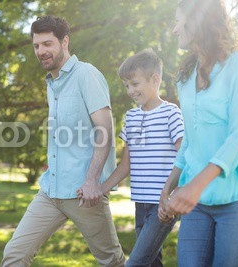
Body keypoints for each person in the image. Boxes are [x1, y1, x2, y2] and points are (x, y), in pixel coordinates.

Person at [0, 15, 125, 267]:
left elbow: (105, 129)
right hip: (51, 191)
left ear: (64, 41)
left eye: (47, 44)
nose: (40, 51)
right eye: (36, 46)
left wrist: (91, 181)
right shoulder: (52, 83)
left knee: (111, 261)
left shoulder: (86, 75)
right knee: (15, 255)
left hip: (84, 194)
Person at [158, 0, 238, 266]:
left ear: (197, 22)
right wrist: (169, 186)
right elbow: (190, 141)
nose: (173, 30)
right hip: (197, 203)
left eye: (178, 21)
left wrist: (194, 186)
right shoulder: (185, 78)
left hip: (236, 199)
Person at [80, 49, 184, 267]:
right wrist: (101, 188)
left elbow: (184, 155)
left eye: (135, 84)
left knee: (136, 262)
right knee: (152, 262)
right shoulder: (132, 116)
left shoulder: (171, 113)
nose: (130, 91)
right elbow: (126, 164)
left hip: (163, 204)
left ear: (155, 80)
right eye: (126, 85)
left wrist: (172, 194)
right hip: (141, 204)